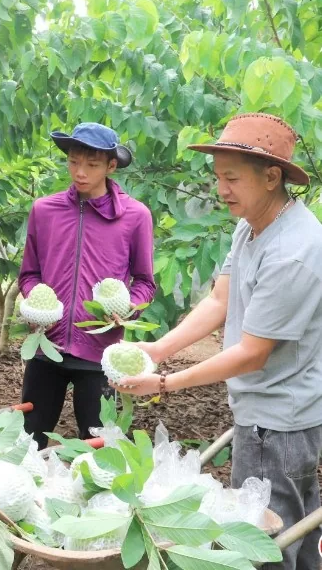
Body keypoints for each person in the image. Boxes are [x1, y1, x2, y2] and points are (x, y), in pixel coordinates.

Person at [111, 112, 322, 570]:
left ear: (271, 177)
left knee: (265, 542)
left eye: (231, 178)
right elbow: (220, 299)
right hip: (266, 411)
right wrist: (158, 350)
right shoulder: (252, 223)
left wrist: (166, 384)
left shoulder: (293, 251)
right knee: (297, 531)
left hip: (278, 423)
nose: (221, 189)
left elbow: (252, 353)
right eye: (218, 177)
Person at [19, 123, 155, 445]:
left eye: (92, 165)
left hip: (100, 352)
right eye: (73, 162)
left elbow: (145, 283)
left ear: (111, 166)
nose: (80, 172)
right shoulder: (44, 210)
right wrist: (36, 304)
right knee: (27, 439)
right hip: (45, 348)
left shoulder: (135, 217)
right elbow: (29, 274)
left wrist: (126, 309)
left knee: (98, 445)